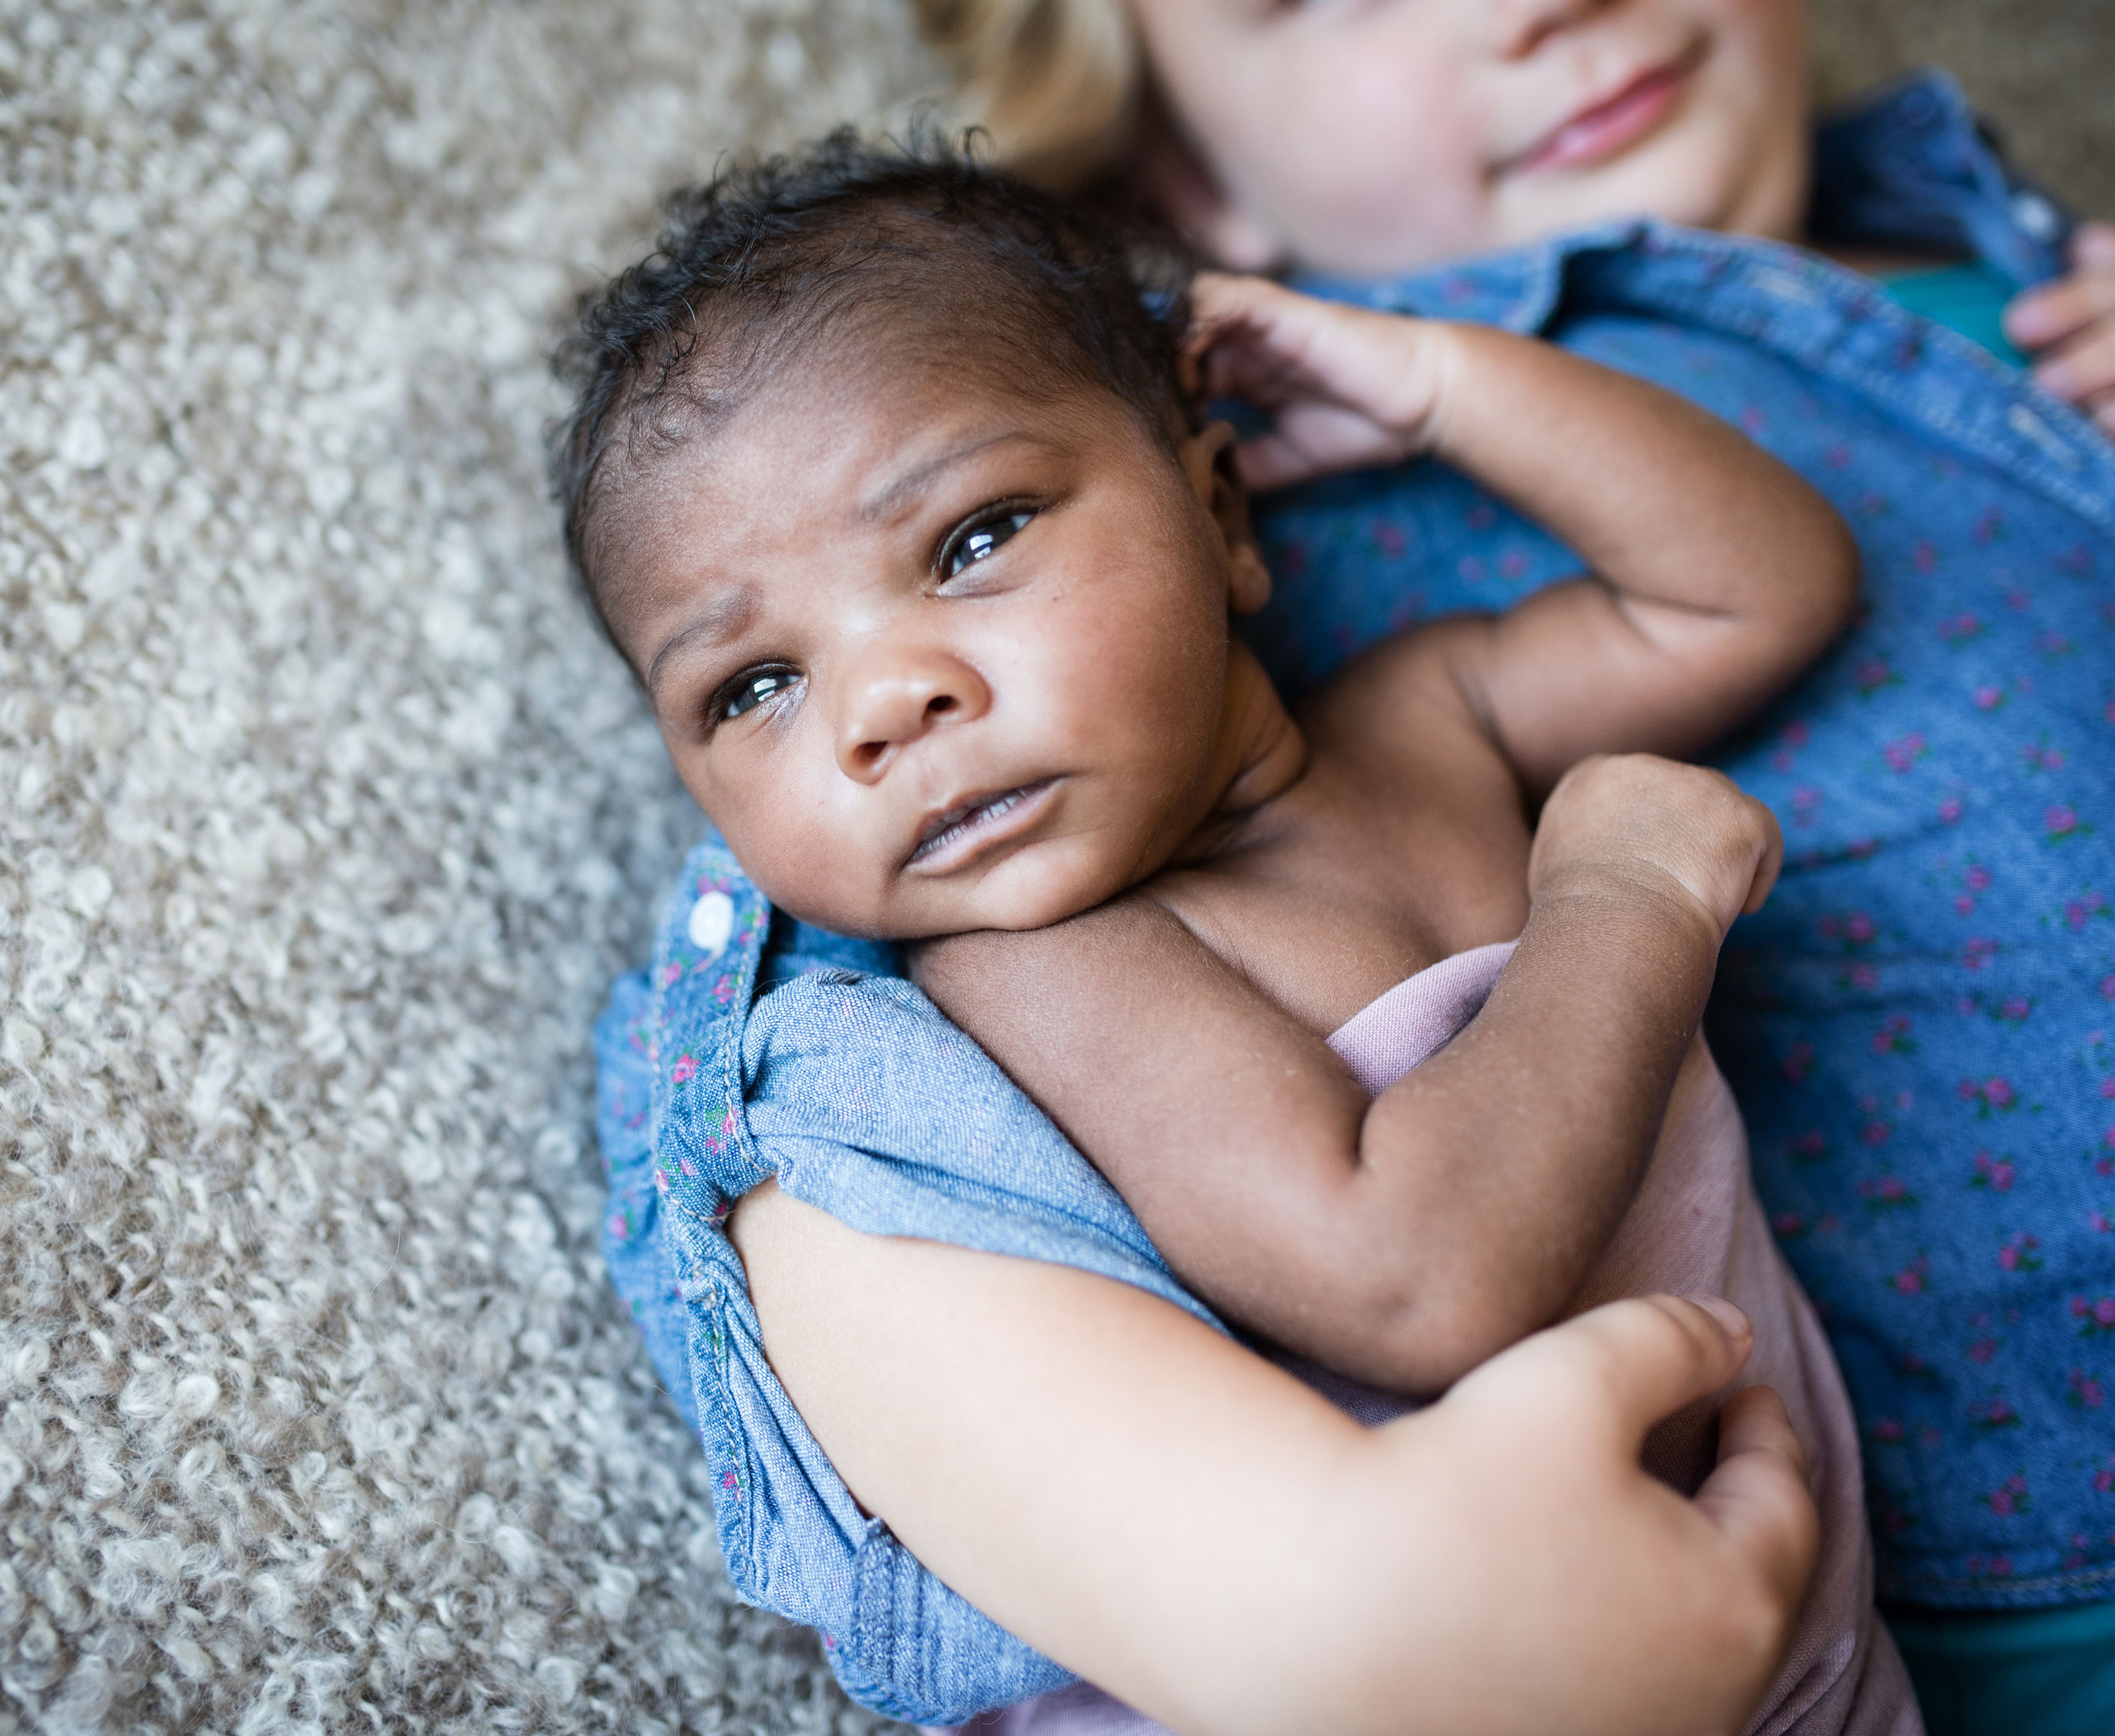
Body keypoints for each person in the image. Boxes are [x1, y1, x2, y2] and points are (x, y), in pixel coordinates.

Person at [563, 133, 1909, 1733]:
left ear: (1219, 511)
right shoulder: (1045, 961)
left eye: (972, 539)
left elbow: (1758, 587)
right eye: (752, 686)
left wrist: (1432, 385)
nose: (880, 703)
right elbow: (1417, 1274)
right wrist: (1629, 898)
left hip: (1797, 1653)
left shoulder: (1432, 718)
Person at [916, 4, 2115, 1728]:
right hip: (2033, 1526)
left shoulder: (2014, 254)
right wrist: (1432, 382)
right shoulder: (1250, 515)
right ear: (1187, 173)